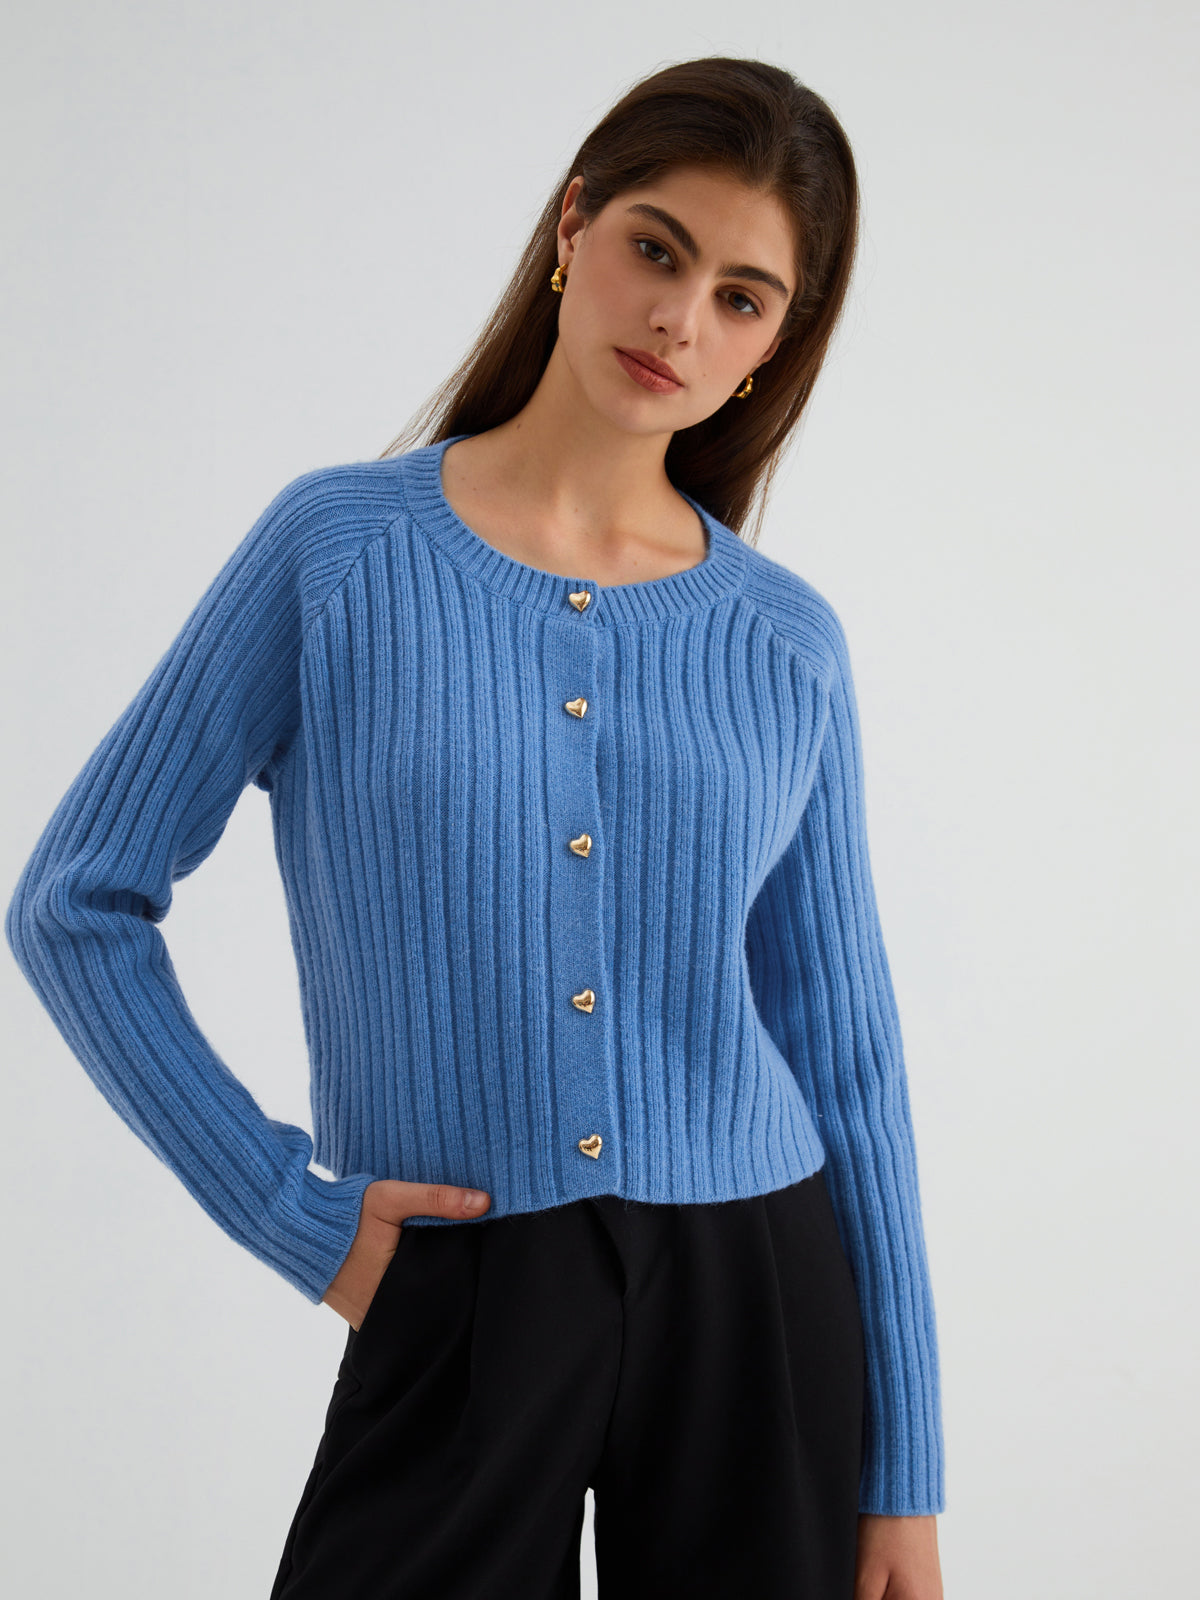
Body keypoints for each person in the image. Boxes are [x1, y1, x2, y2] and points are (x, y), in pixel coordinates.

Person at [5, 54, 946, 1600]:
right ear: (573, 227)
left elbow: (847, 1048)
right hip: (453, 1268)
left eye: (740, 297)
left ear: (774, 344)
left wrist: (903, 1471)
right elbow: (74, 903)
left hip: (755, 1287)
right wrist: (294, 1213)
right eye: (655, 249)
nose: (679, 320)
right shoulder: (339, 553)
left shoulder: (785, 641)